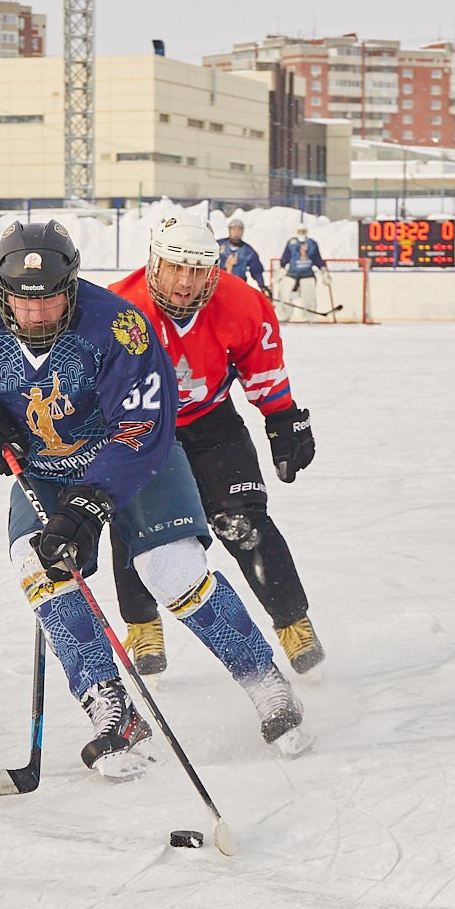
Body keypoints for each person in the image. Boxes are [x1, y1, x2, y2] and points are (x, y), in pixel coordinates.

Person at [0, 220, 309, 780]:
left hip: (134, 458)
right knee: (38, 565)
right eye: (23, 302)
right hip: (43, 468)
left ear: (73, 287)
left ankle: (264, 680)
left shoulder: (120, 328)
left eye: (51, 300)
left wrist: (92, 501)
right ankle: (112, 710)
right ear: (0, 290)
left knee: (169, 568)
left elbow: (144, 424)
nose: (38, 314)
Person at [107, 216, 325, 678]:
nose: (186, 282)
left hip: (211, 422)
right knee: (134, 524)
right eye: (175, 268)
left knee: (244, 520)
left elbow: (262, 367)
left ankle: (293, 623)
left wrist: (282, 419)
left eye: (197, 270)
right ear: (155, 263)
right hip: (143, 428)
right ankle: (142, 624)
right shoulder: (117, 308)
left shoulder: (242, 303)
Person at [275, 227, 331, 321]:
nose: (302, 233)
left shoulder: (312, 243)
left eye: (303, 231)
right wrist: (281, 269)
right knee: (284, 294)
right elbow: (285, 257)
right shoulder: (291, 243)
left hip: (307, 274)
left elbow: (317, 258)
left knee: (308, 296)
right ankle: (284, 315)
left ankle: (309, 316)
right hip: (292, 274)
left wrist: (323, 271)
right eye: (300, 231)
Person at [216, 219, 266, 290]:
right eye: (234, 229)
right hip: (219, 284)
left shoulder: (248, 251)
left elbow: (256, 271)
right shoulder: (218, 245)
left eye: (239, 230)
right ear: (229, 230)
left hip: (238, 286)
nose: (236, 232)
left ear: (242, 232)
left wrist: (262, 286)